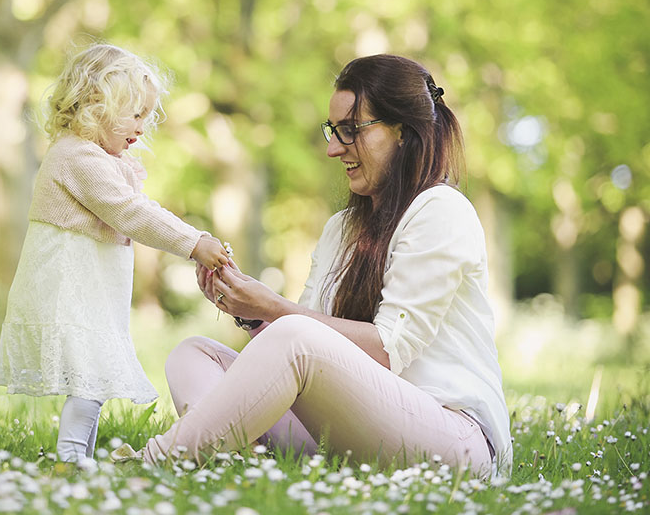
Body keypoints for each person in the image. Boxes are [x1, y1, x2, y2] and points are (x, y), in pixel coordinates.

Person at [119, 53, 512, 479]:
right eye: (332, 130)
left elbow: (384, 350)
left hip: (453, 441)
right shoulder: (340, 229)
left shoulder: (440, 209)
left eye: (349, 130)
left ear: (401, 130)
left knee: (292, 332)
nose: (333, 148)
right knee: (192, 353)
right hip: (351, 433)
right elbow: (308, 351)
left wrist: (273, 307)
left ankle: (154, 462)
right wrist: (249, 313)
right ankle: (237, 460)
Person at [0, 43, 231, 463]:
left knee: (94, 381)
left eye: (147, 115)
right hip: (68, 290)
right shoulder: (75, 156)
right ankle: (69, 460)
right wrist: (194, 242)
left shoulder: (94, 156)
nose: (144, 126)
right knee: (90, 381)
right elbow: (131, 212)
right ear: (94, 106)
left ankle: (77, 459)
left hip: (91, 292)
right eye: (135, 114)